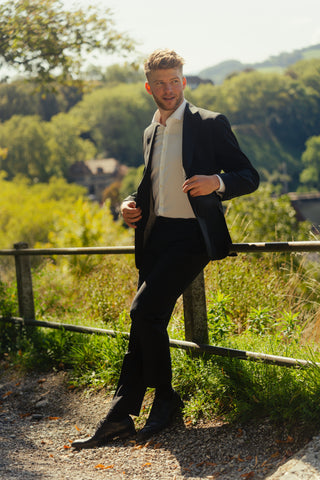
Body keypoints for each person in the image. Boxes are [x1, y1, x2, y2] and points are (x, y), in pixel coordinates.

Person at [72, 49, 259, 449]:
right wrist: (129, 204)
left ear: (184, 82)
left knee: (143, 312)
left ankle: (167, 398)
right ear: (148, 87)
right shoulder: (150, 131)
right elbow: (152, 183)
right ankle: (119, 416)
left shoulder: (209, 124)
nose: (168, 89)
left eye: (174, 81)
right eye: (160, 83)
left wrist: (217, 182)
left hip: (192, 238)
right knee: (142, 326)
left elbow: (249, 175)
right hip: (155, 238)